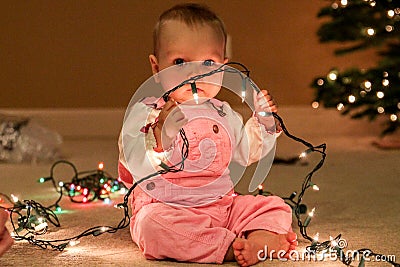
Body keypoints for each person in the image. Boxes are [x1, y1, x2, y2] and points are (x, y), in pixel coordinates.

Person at [118, 3, 297, 266]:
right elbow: (133, 161)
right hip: (168, 208)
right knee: (151, 226)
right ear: (157, 69)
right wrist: (160, 137)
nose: (195, 73)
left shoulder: (224, 113)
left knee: (274, 206)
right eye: (180, 62)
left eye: (208, 63)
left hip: (222, 207)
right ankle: (226, 246)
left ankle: (260, 237)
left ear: (223, 69)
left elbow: (246, 151)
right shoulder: (146, 112)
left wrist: (263, 122)